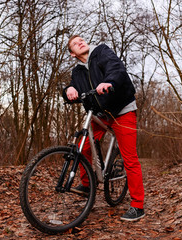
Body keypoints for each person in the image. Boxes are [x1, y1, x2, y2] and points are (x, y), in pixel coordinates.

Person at [63, 35, 145, 221]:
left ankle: (137, 206)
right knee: (82, 147)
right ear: (72, 54)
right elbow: (73, 88)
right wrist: (68, 90)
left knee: (129, 158)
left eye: (82, 40)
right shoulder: (77, 72)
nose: (81, 43)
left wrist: (109, 81)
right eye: (75, 44)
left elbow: (115, 68)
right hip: (100, 114)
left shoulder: (102, 52)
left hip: (122, 109)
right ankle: (86, 184)